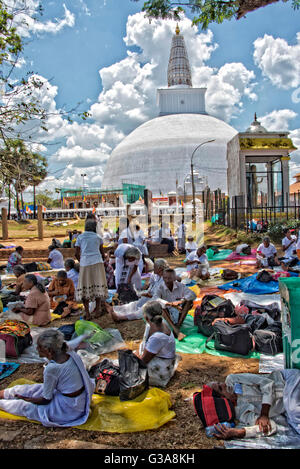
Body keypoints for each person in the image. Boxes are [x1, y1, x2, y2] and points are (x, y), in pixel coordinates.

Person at [0, 329, 95, 427]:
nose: (36, 349)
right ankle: (4, 394)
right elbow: (76, 341)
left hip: (69, 409)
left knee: (24, 407)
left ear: (49, 350)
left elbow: (46, 399)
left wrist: (27, 399)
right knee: (31, 389)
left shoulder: (52, 368)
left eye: (39, 347)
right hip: (80, 399)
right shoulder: (66, 349)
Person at [204, 369, 300, 440]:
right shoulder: (240, 412)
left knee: (294, 411)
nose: (224, 384)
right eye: (221, 388)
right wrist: (238, 432)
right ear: (222, 399)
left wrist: (264, 414)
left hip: (286, 381)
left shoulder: (233, 379)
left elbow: (266, 383)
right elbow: (271, 427)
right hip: (286, 407)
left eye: (219, 383)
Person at [138, 301, 179, 388]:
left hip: (161, 372)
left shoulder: (157, 337)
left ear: (146, 317)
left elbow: (143, 361)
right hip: (167, 363)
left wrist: (136, 357)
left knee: (126, 363)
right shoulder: (161, 323)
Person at [75, 219, 108, 320]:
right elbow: (102, 254)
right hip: (97, 263)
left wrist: (82, 261)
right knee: (98, 285)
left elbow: (76, 253)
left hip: (85, 263)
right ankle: (97, 310)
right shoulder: (98, 237)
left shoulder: (80, 237)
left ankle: (87, 313)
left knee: (85, 286)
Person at [153, 268, 196, 340]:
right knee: (159, 305)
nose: (166, 280)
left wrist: (181, 301)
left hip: (179, 311)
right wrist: (170, 304)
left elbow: (192, 294)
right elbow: (155, 299)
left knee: (189, 301)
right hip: (166, 313)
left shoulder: (180, 286)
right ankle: (176, 330)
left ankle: (178, 326)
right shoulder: (159, 287)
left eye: (169, 278)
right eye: (165, 278)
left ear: (174, 278)